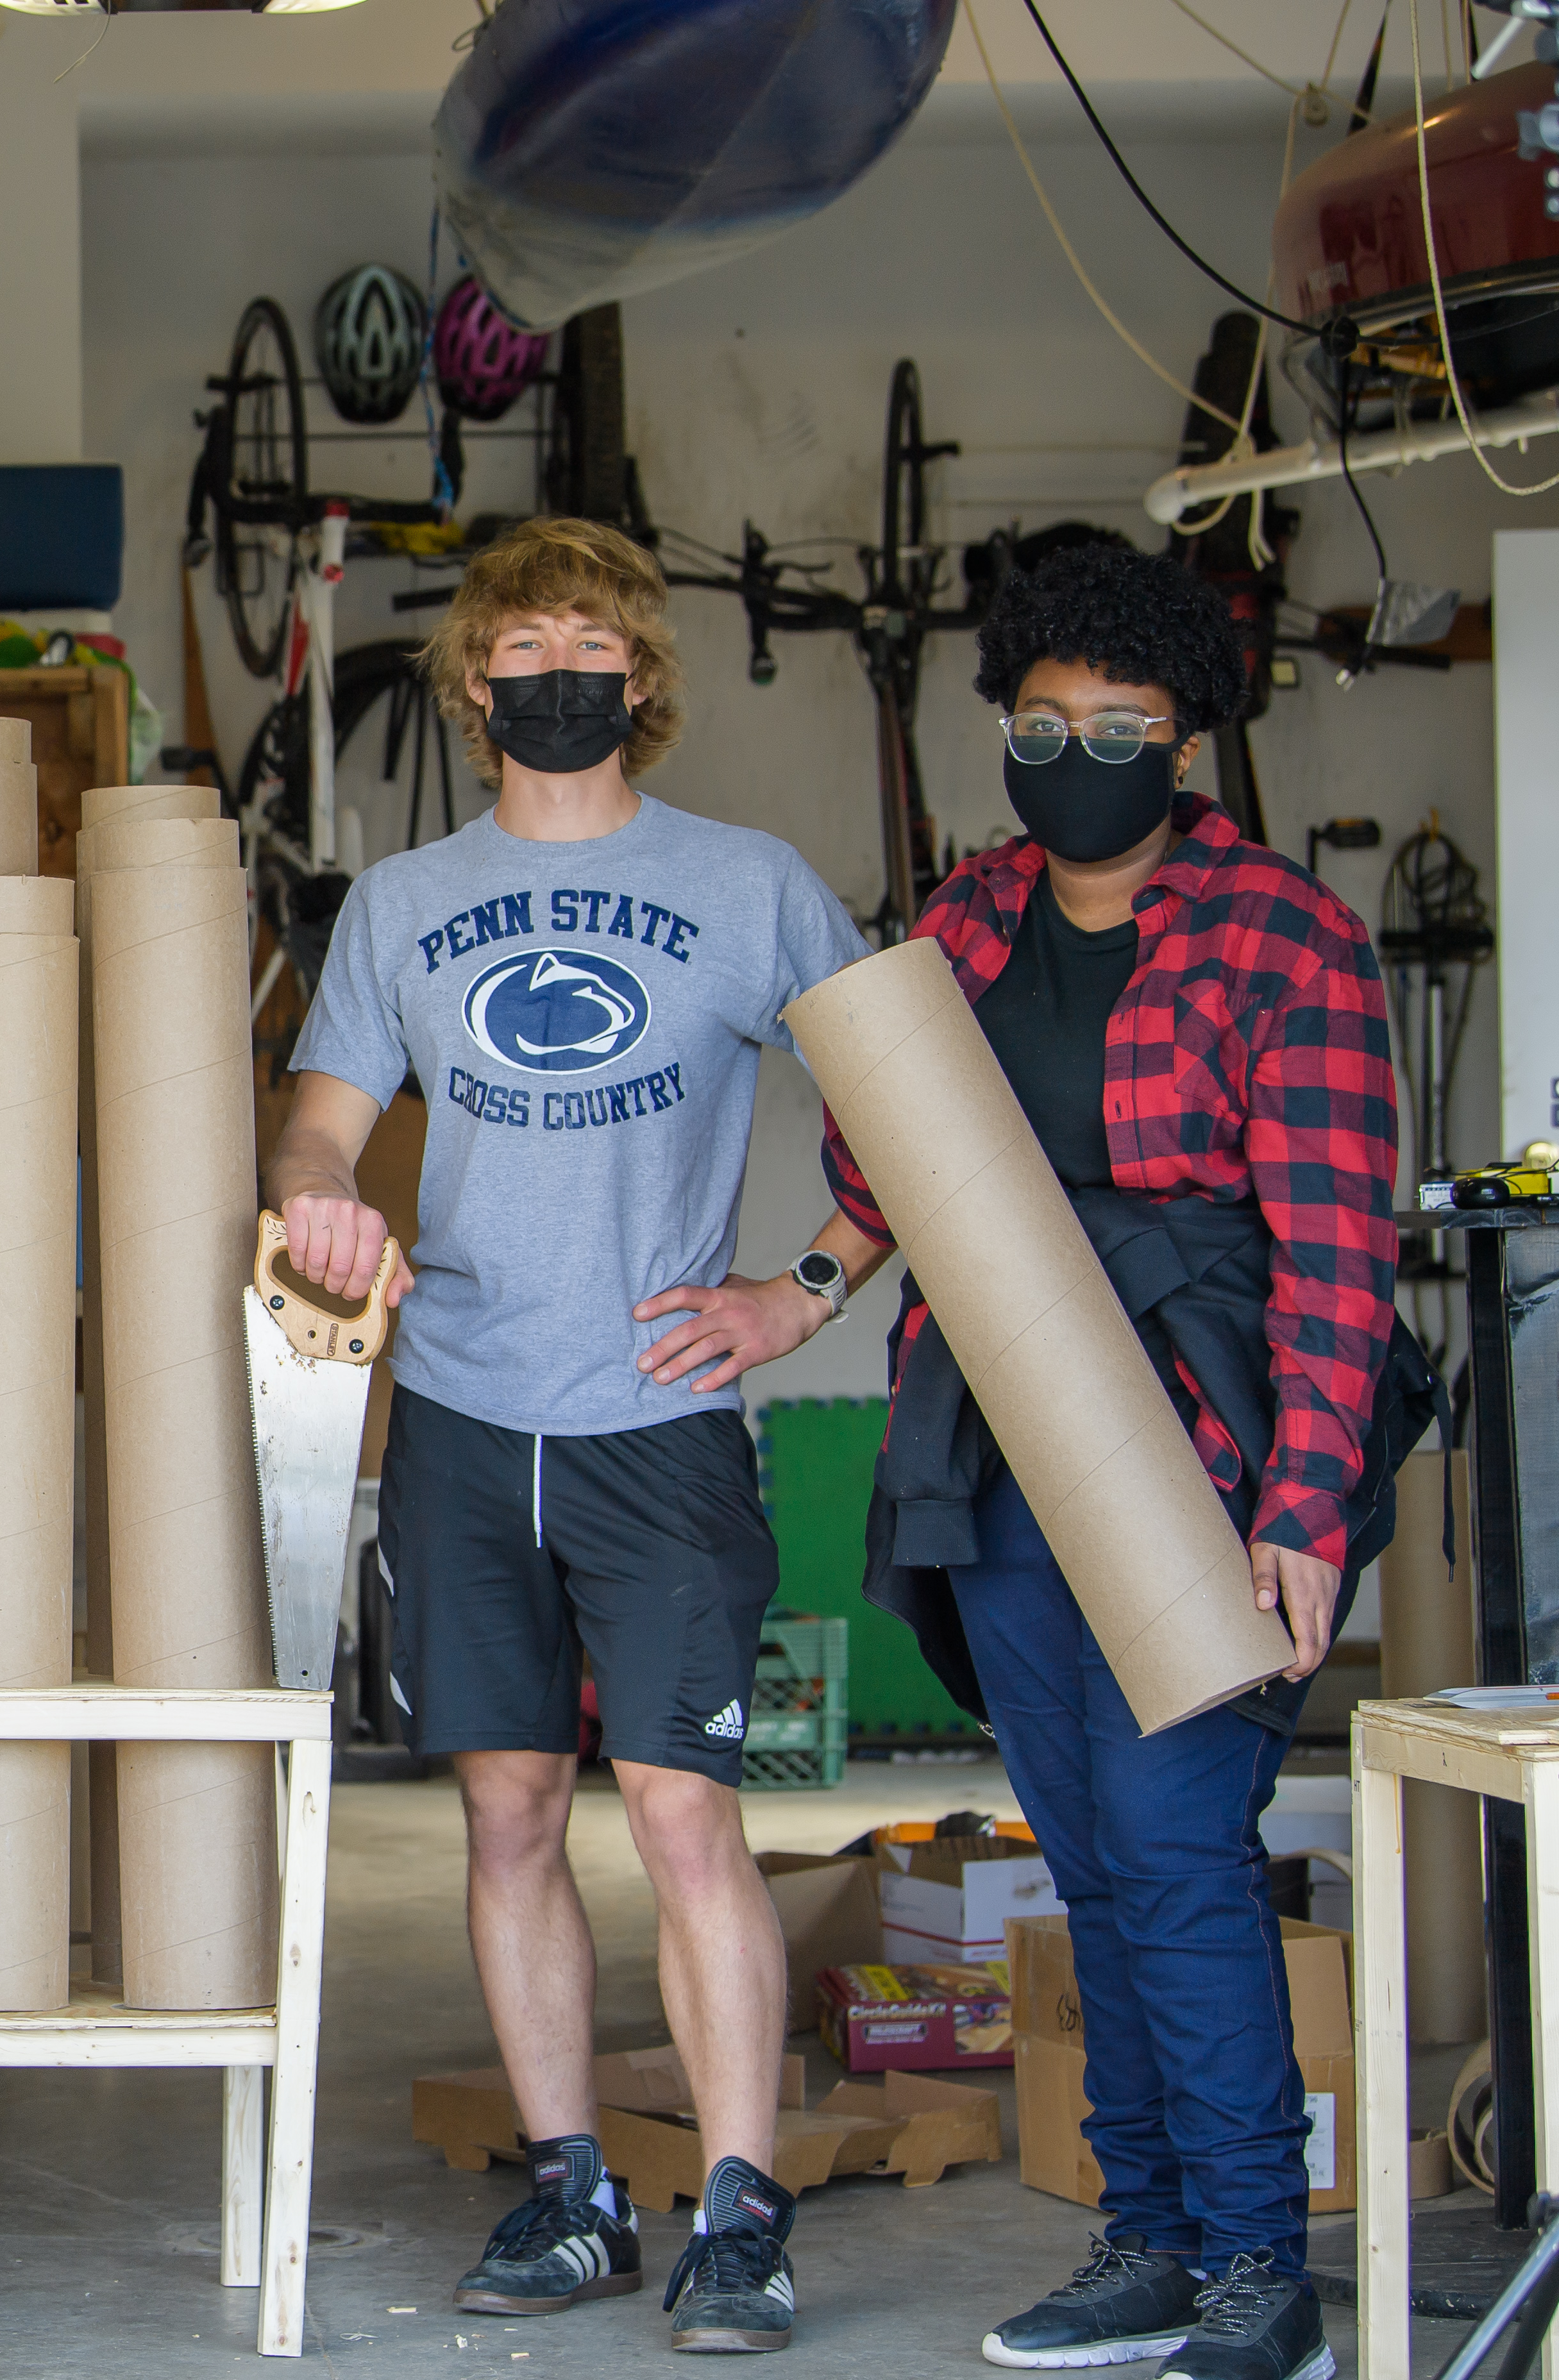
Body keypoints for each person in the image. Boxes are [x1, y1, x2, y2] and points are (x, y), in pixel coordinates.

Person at [648, 539, 1424, 2380]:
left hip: (1205, 1425)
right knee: (1090, 1854)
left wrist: (1305, 1514)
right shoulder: (976, 915)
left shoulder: (1284, 943)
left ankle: (1260, 2271)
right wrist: (801, 1294)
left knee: (1177, 1850)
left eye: (1118, 725)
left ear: (1190, 735)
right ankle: (1147, 2240)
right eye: (1043, 720)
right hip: (999, 1426)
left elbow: (1339, 1262)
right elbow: (886, 1161)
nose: (1074, 751)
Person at [267, 516, 866, 2355]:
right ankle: (567, 2189)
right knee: (510, 1810)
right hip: (456, 1411)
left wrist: (805, 1293)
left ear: (641, 681)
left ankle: (744, 2215)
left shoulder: (753, 887)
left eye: (584, 651)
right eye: (518, 655)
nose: (552, 680)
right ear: (473, 687)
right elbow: (311, 1128)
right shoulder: (403, 906)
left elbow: (911, 1114)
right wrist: (320, 1202)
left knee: (688, 1818)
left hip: (662, 1422)